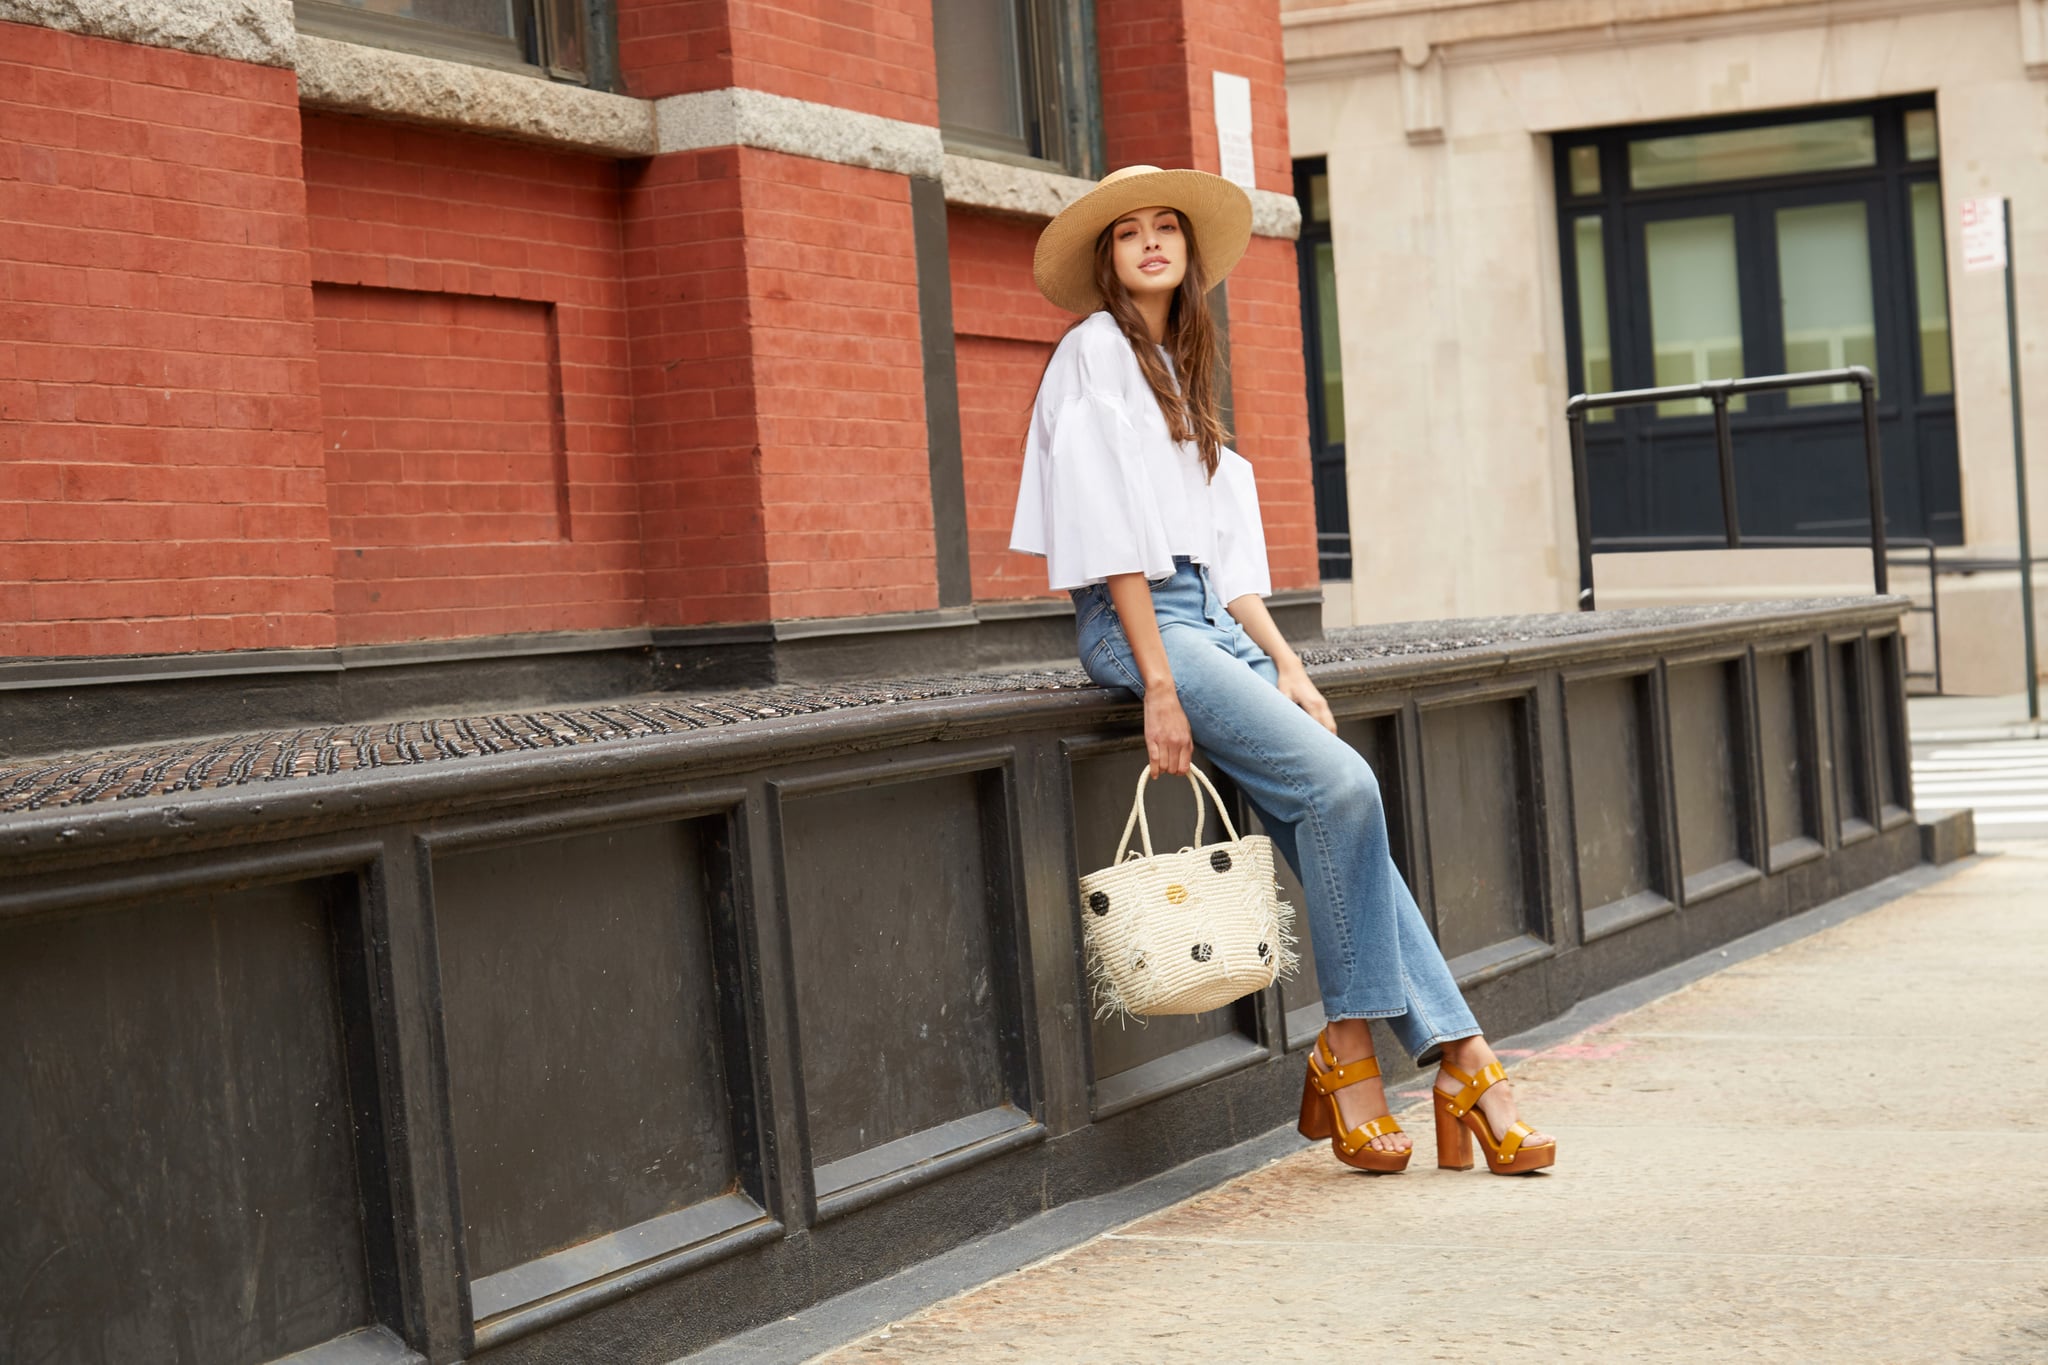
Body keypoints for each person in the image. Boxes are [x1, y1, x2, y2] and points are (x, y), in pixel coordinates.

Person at [1010, 165, 1556, 1175]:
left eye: (1165, 227)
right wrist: (1158, 686)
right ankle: (1361, 1053)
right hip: (1137, 626)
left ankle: (1456, 1057)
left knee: (1340, 829)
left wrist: (1285, 664)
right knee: (1342, 786)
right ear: (1106, 258)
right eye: (1127, 232)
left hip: (1207, 622)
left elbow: (1220, 555)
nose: (1150, 243)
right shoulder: (1091, 356)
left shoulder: (1179, 363)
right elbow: (1110, 543)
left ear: (1187, 254)